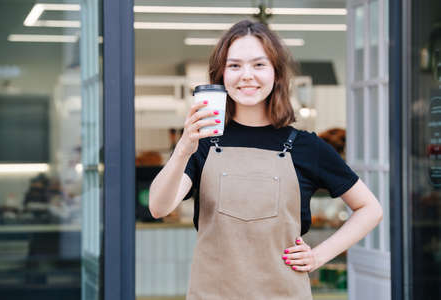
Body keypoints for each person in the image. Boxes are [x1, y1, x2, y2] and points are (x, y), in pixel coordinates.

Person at [149, 20, 383, 299]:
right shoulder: (202, 144)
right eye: (234, 66)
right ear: (221, 74)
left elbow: (370, 208)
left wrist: (319, 256)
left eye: (258, 65)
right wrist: (183, 148)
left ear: (277, 74)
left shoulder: (306, 146)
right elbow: (159, 207)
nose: (246, 75)